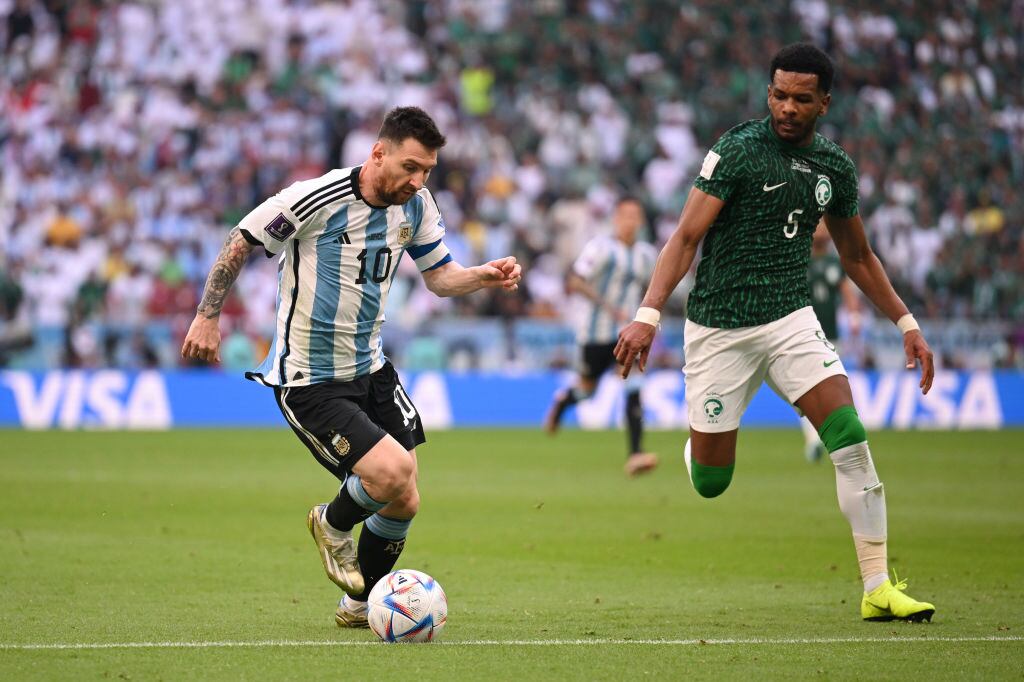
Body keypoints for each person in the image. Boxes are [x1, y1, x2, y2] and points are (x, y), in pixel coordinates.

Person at [614, 44, 936, 622]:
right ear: (769, 93)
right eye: (779, 95)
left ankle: (877, 586)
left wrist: (906, 322)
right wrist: (647, 314)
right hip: (718, 331)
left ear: (824, 104)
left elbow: (857, 254)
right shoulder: (736, 151)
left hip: (791, 321)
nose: (787, 107)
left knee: (850, 436)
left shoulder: (834, 167)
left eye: (801, 99)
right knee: (712, 482)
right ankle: (698, 446)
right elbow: (685, 239)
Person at [180, 107, 522, 628]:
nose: (418, 180)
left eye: (427, 170)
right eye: (410, 166)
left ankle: (360, 605)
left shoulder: (417, 206)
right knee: (392, 473)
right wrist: (207, 315)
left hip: (372, 368)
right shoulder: (315, 198)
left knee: (405, 499)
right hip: (310, 380)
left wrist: (481, 275)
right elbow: (241, 240)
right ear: (377, 153)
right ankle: (331, 523)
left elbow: (440, 277)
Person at [544, 197, 660, 476]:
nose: (630, 221)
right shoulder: (600, 248)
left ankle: (636, 454)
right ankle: (563, 401)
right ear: (616, 219)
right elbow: (576, 281)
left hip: (627, 332)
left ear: (641, 221)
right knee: (587, 391)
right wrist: (608, 306)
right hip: (595, 332)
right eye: (625, 215)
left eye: (635, 216)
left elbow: (650, 288)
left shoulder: (646, 255)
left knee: (634, 386)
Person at [801, 220, 862, 462]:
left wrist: (854, 315)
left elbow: (847, 292)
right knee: (807, 389)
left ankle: (825, 437)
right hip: (803, 336)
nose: (823, 229)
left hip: (830, 335)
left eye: (826, 225)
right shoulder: (798, 258)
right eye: (818, 225)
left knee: (830, 387)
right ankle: (814, 440)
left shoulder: (833, 263)